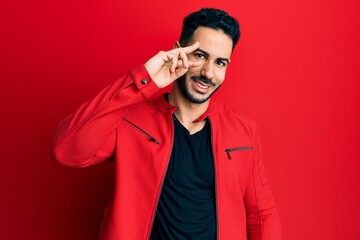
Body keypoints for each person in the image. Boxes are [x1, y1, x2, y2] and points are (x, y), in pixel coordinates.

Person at [51, 8, 281, 240]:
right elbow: (67, 151)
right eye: (200, 55)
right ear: (177, 50)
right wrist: (142, 80)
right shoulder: (130, 118)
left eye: (220, 62)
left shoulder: (243, 131)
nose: (208, 73)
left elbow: (261, 215)